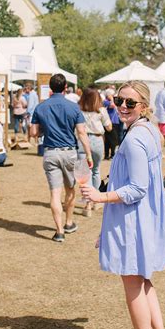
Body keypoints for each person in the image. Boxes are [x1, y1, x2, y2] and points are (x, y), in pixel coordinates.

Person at [80, 81, 165, 329]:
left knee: (133, 286)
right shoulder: (146, 130)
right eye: (119, 101)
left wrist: (100, 196)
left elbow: (137, 188)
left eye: (130, 103)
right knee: (144, 281)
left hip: (133, 221)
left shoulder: (136, 138)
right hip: (140, 218)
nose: (122, 107)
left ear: (145, 107)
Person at [30, 73, 93, 242]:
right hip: (69, 152)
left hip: (50, 152)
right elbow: (81, 133)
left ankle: (59, 232)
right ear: (66, 88)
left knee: (55, 193)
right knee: (70, 190)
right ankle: (69, 222)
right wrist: (88, 154)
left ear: (50, 88)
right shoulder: (74, 107)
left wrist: (46, 130)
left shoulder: (40, 107)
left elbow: (34, 133)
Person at [77, 87, 112, 217]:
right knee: (96, 171)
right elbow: (109, 127)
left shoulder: (79, 110)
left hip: (82, 141)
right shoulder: (101, 110)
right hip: (97, 140)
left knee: (84, 174)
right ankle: (96, 200)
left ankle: (87, 204)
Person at [103, 91, 121, 159]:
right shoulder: (105, 101)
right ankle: (109, 155)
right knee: (110, 139)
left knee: (113, 139)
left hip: (115, 122)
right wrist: (111, 98)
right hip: (109, 122)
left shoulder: (112, 100)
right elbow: (112, 105)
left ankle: (111, 154)